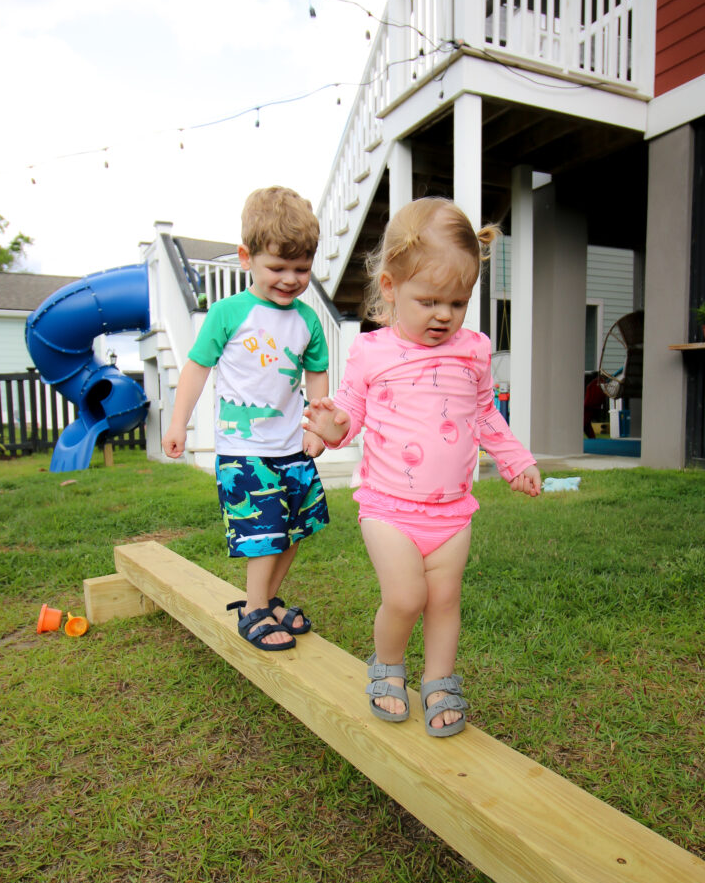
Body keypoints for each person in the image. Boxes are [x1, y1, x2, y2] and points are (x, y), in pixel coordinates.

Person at [304, 197, 541, 737]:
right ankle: (387, 666)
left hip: (453, 511)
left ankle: (439, 680)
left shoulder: (473, 351)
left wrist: (516, 460)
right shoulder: (372, 352)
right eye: (429, 300)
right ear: (390, 287)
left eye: (457, 302)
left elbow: (485, 415)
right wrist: (328, 427)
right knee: (407, 596)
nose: (444, 315)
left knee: (444, 599)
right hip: (389, 508)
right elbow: (351, 413)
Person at [162, 186, 330, 652]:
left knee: (297, 528)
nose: (291, 279)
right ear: (246, 258)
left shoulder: (308, 321)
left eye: (302, 268)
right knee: (264, 533)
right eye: (278, 267)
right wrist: (178, 423)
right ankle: (255, 608)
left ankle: (269, 600)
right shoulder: (228, 313)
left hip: (291, 447)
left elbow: (316, 374)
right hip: (245, 450)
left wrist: (316, 428)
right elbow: (196, 369)